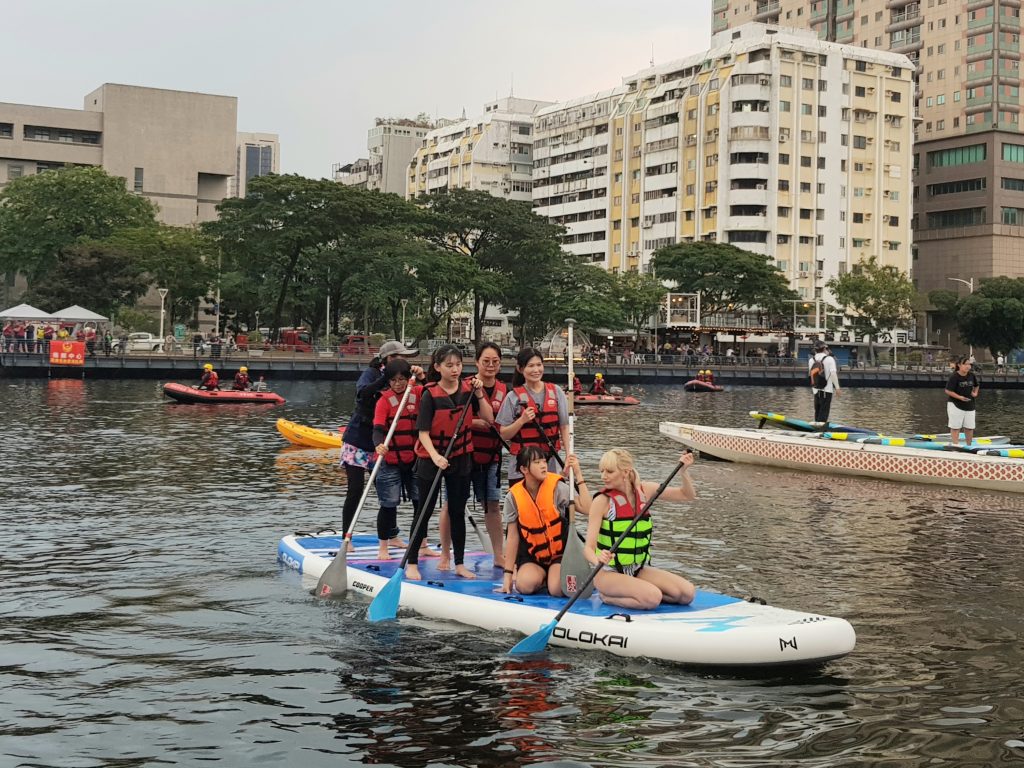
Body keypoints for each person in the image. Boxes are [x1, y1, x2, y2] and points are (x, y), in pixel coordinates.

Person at [405, 344, 493, 581]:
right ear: (438, 367)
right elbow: (423, 432)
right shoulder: (429, 394)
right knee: (423, 510)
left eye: (458, 365)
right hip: (431, 458)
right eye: (449, 365)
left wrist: (479, 393)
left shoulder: (468, 390)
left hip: (461, 457)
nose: (455, 369)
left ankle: (460, 564)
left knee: (456, 511)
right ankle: (411, 562)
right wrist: (435, 456)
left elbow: (487, 417)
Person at [583, 449, 698, 610]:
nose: (603, 476)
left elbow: (687, 495)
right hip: (607, 573)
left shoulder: (645, 490)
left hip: (637, 568)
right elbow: (588, 548)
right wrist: (598, 559)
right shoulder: (602, 501)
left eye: (609, 471)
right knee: (653, 598)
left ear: (625, 472)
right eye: (601, 471)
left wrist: (684, 472)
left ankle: (638, 591)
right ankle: (607, 597)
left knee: (687, 593)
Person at [341, 340, 424, 551]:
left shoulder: (405, 378)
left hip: (387, 445)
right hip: (359, 441)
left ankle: (392, 534)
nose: (402, 361)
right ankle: (346, 537)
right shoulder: (372, 374)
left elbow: (428, 392)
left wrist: (421, 376)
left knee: (388, 491)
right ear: (385, 359)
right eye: (397, 358)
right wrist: (386, 378)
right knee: (356, 490)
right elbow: (363, 394)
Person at [498, 447, 590, 596]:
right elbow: (512, 537)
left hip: (560, 555)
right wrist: (508, 575)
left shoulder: (557, 488)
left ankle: (553, 578)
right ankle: (541, 578)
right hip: (532, 557)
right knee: (524, 586)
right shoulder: (513, 497)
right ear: (524, 469)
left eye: (543, 461)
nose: (543, 465)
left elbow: (588, 509)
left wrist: (578, 474)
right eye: (536, 462)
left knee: (557, 590)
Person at [496, 347, 571, 485]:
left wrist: (568, 455)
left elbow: (564, 427)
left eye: (539, 365)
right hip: (522, 467)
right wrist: (522, 420)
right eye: (531, 366)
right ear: (520, 368)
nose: (536, 370)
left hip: (550, 464)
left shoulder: (556, 392)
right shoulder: (512, 397)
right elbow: (504, 434)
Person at [372, 358, 422, 560]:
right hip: (389, 459)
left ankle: (422, 543)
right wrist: (378, 444)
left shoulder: (417, 393)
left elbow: (434, 390)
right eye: (393, 380)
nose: (398, 384)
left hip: (414, 458)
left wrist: (421, 375)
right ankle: (383, 547)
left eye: (402, 379)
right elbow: (377, 429)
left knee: (420, 502)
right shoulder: (384, 401)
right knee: (389, 503)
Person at [944, 356, 980, 446]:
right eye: (965, 364)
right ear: (959, 365)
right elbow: (948, 390)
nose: (968, 366)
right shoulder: (954, 376)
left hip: (970, 404)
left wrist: (975, 393)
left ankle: (969, 445)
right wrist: (959, 397)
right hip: (956, 404)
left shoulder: (972, 375)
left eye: (969, 364)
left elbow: (976, 385)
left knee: (969, 427)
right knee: (955, 426)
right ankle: (955, 444)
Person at [808, 340, 840, 425]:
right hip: (827, 390)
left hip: (815, 389)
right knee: (824, 412)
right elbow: (833, 374)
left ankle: (815, 426)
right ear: (825, 348)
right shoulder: (829, 359)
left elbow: (811, 374)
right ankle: (820, 430)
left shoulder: (812, 360)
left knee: (817, 411)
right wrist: (837, 388)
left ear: (815, 350)